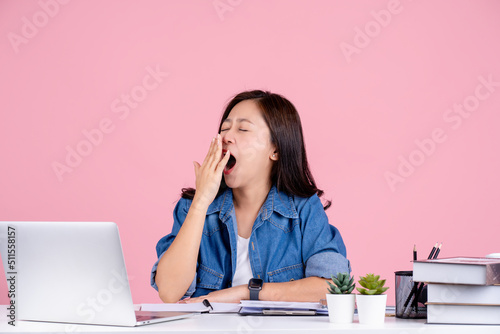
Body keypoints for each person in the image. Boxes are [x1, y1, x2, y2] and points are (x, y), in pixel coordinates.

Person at [151, 90, 350, 303]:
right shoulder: (191, 207)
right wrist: (200, 202)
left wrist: (246, 292)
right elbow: (170, 292)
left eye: (243, 129)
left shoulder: (304, 209)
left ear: (276, 150)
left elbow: (333, 288)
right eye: (224, 128)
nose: (226, 136)